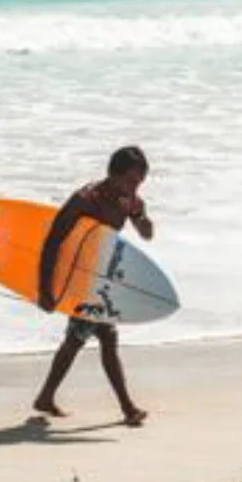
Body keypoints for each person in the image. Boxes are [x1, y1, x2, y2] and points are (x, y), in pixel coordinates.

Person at [32, 145, 153, 427]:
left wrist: (140, 215)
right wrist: (45, 287)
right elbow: (52, 241)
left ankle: (46, 397)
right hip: (79, 279)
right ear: (114, 174)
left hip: (102, 279)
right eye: (133, 181)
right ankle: (128, 409)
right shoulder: (86, 199)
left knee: (85, 338)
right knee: (99, 338)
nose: (136, 188)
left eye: (140, 183)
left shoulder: (130, 201)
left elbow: (147, 235)